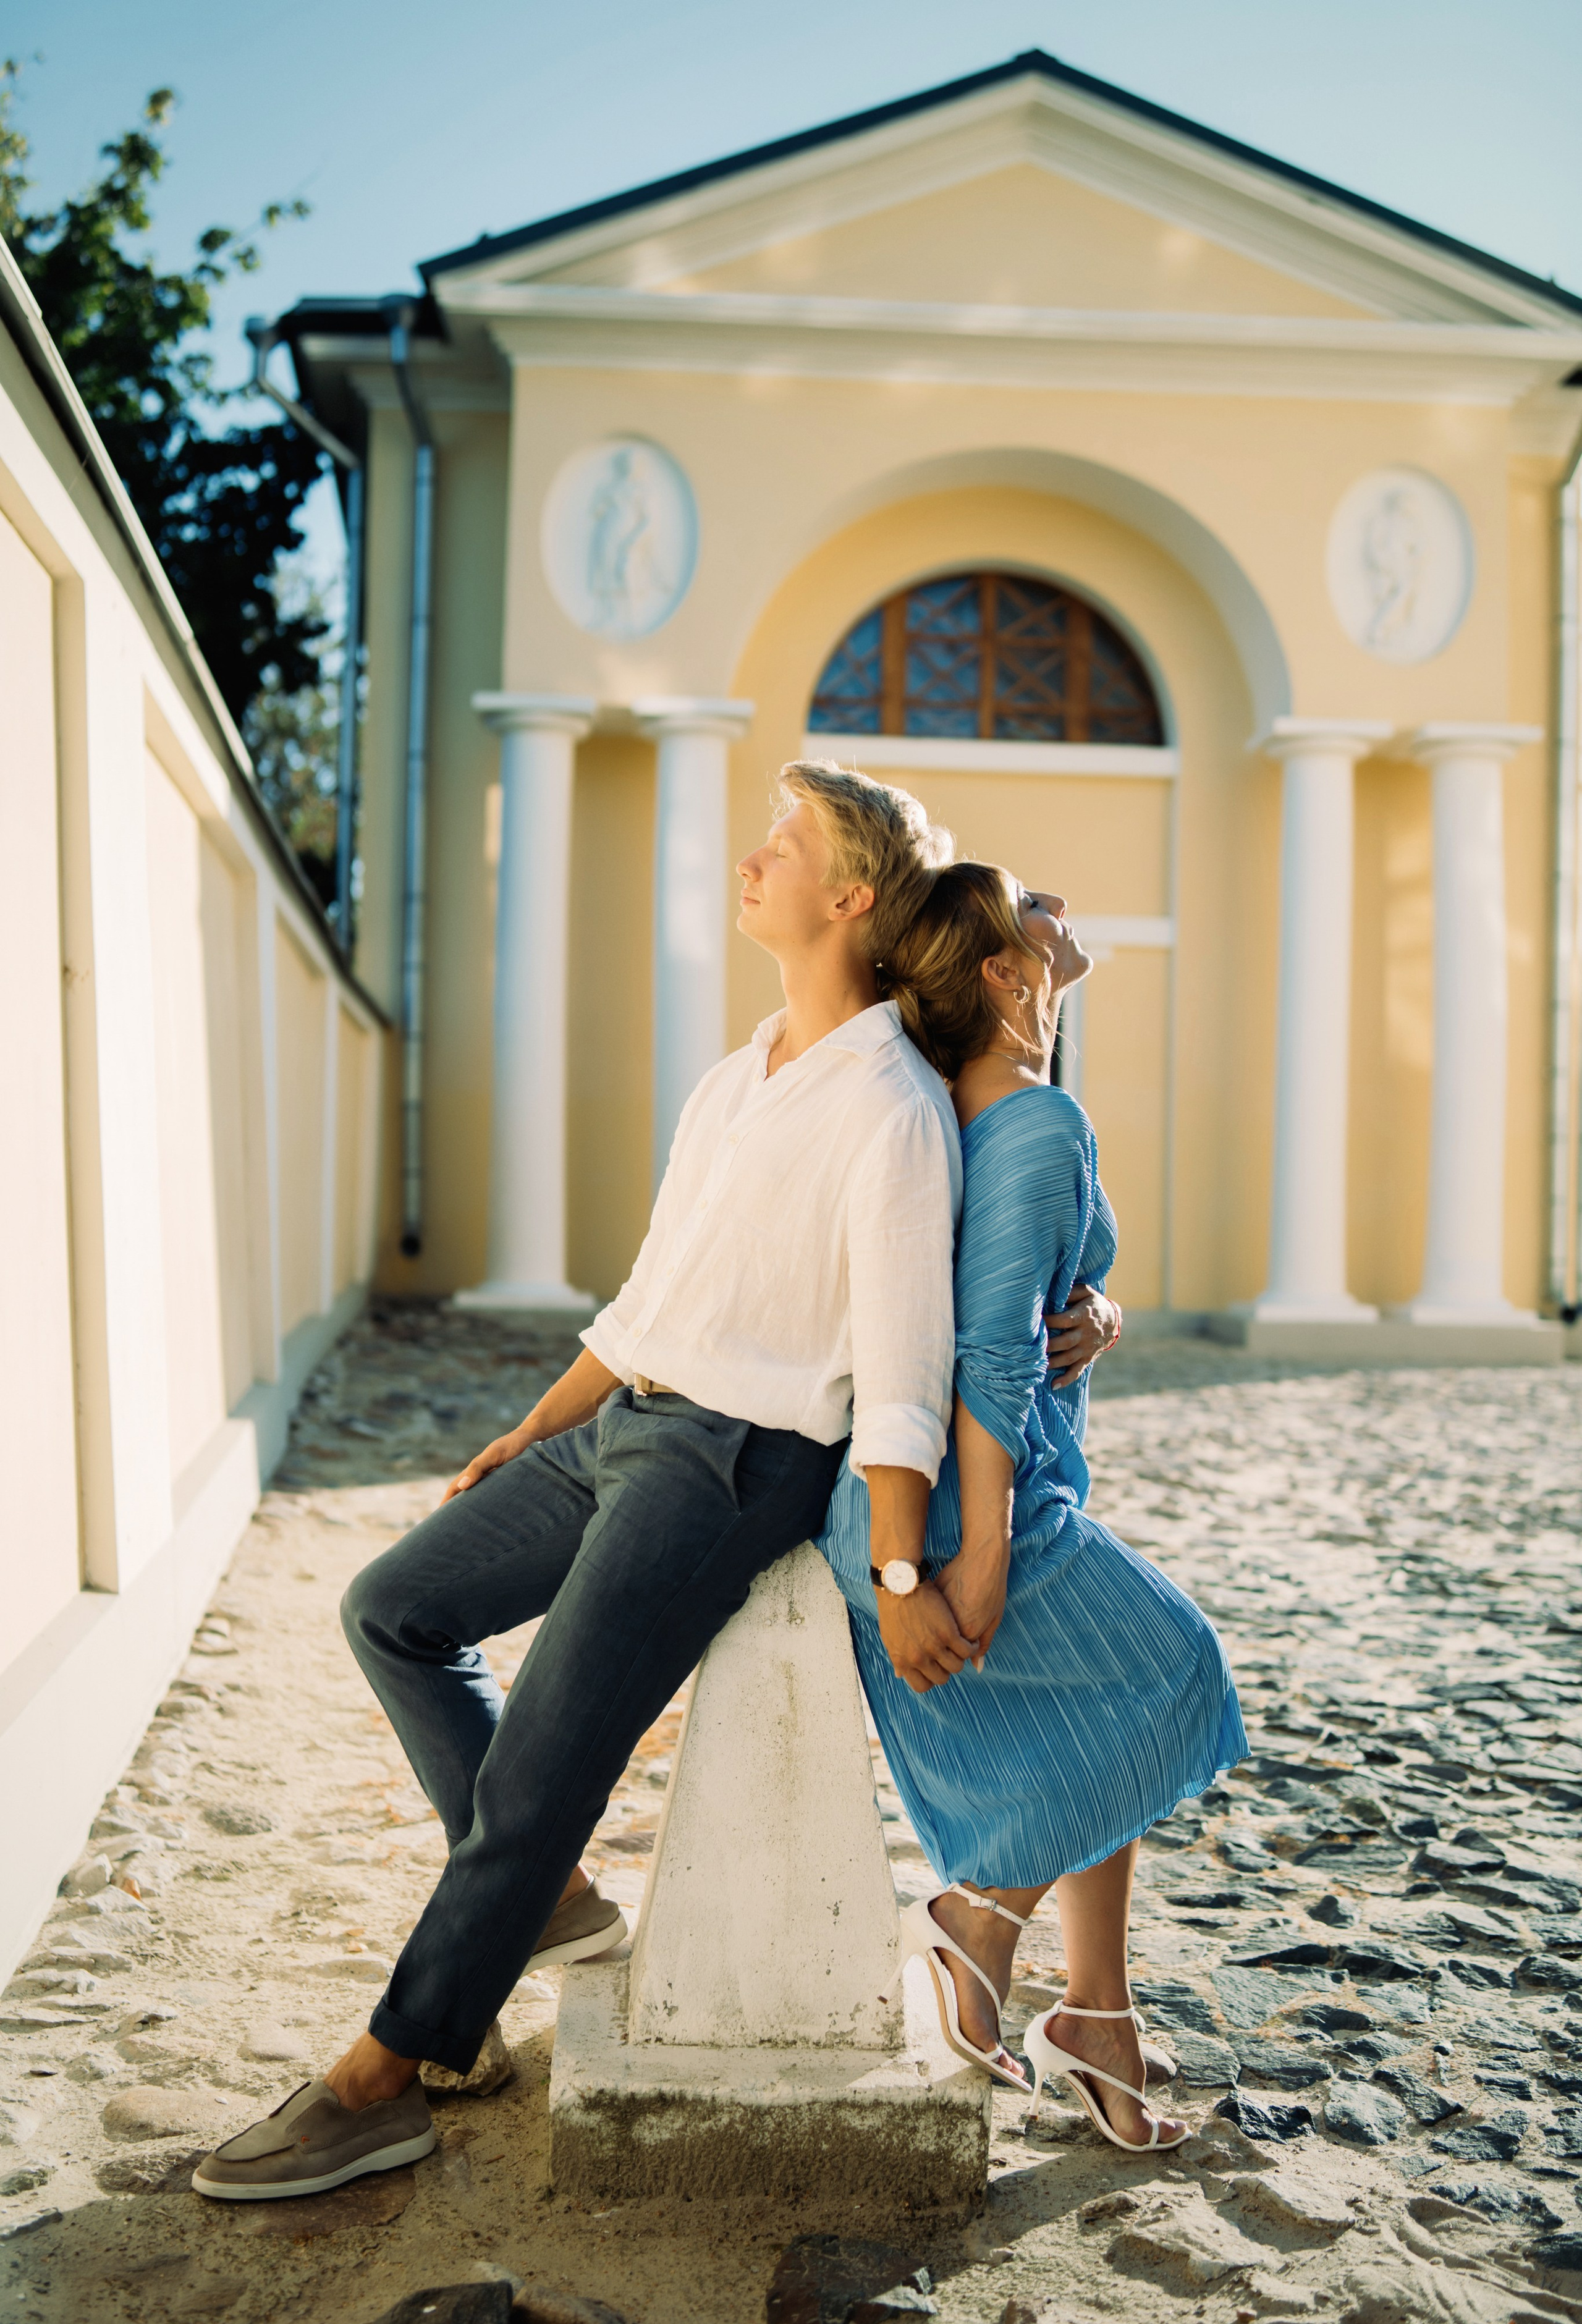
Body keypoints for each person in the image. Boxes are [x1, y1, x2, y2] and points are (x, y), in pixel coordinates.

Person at [193, 762, 974, 2204]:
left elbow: (902, 1368)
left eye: (784, 843)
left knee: (549, 1755)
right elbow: (649, 1294)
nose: (753, 857)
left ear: (851, 897)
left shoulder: (894, 1109)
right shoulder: (738, 1078)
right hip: (626, 1427)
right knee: (393, 1607)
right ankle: (542, 1896)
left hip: (739, 1462)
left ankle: (386, 2077)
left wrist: (901, 1565)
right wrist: (535, 1424)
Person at [816, 863, 1246, 2155]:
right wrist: (985, 1560)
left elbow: (1015, 1297)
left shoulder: (944, 1104)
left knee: (1098, 1721)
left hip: (940, 1486)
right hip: (966, 1506)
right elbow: (993, 1350)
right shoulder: (1034, 1117)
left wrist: (1099, 1314)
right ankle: (981, 1920)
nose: (1063, 905)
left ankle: (1097, 2014)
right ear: (1003, 973)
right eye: (1033, 905)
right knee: (1179, 1678)